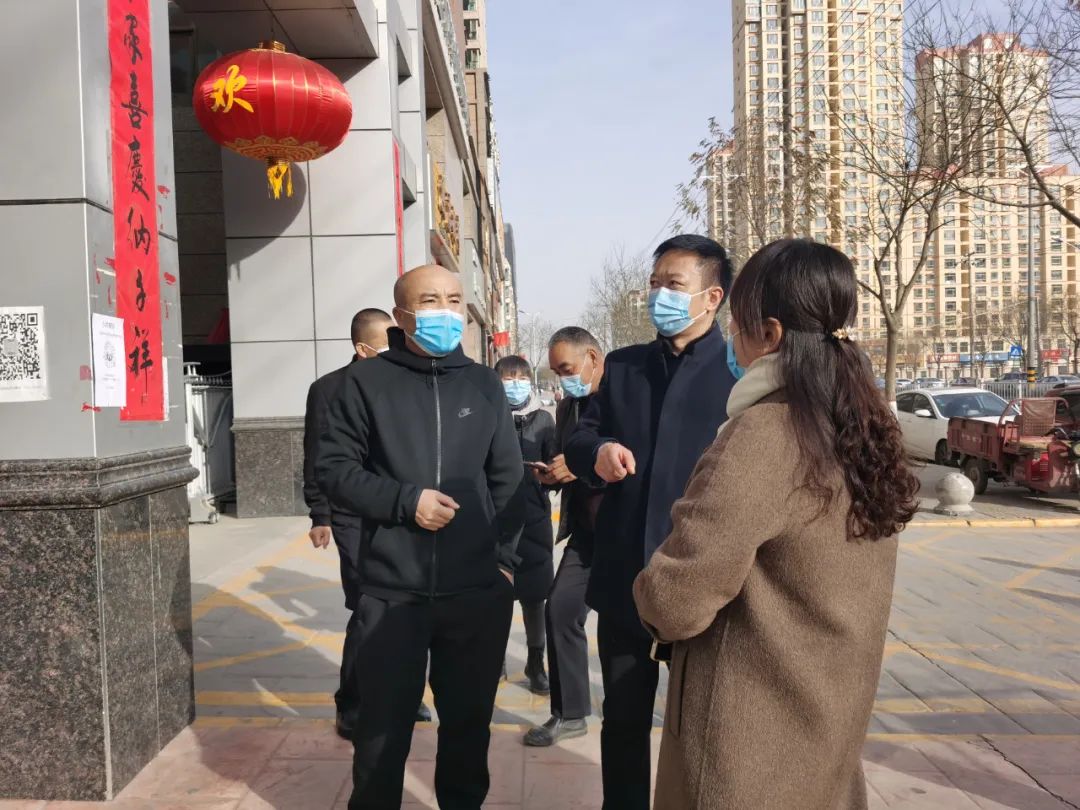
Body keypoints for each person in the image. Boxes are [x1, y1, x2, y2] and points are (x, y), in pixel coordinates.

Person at [633, 239, 919, 809]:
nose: (732, 341)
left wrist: (650, 592)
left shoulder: (766, 432)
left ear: (769, 334)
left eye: (738, 324)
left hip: (747, 741)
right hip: (828, 720)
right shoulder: (859, 424)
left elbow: (676, 599)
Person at [317, 264, 525, 810]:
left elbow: (508, 479)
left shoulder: (483, 384)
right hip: (391, 593)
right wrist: (406, 502)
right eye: (430, 301)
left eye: (454, 300)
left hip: (475, 591)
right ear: (402, 315)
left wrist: (504, 564)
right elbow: (335, 470)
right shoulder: (363, 383)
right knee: (380, 734)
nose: (446, 312)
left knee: (468, 729)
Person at [565, 234, 737, 810]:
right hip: (625, 579)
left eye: (674, 284)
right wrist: (599, 451)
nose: (659, 295)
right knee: (623, 718)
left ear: (711, 297)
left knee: (704, 726)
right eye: (655, 283)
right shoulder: (623, 366)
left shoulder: (740, 373)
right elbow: (582, 435)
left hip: (703, 579)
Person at [303, 308, 434, 738]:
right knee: (367, 608)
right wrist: (320, 514)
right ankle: (352, 703)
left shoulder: (404, 382)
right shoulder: (329, 389)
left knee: (408, 605)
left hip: (402, 510)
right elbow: (318, 458)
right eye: (386, 342)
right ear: (363, 348)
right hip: (352, 516)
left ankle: (406, 693)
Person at [524, 326, 606, 747]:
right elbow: (564, 459)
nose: (563, 380)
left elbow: (643, 460)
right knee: (560, 609)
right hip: (587, 535)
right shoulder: (568, 406)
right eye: (556, 373)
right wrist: (553, 475)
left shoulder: (627, 397)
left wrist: (582, 464)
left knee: (645, 626)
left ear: (593, 358)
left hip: (630, 534)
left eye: (567, 369)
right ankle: (570, 713)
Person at [494, 355, 557, 695]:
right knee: (496, 594)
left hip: (534, 519)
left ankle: (536, 663)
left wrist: (549, 475)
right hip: (496, 520)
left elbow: (556, 464)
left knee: (535, 597)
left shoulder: (544, 420)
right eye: (508, 378)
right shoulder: (488, 416)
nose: (515, 384)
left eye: (520, 378)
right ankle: (496, 661)